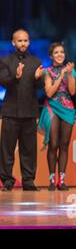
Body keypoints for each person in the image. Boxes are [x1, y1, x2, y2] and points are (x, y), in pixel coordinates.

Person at [0, 29, 45, 191]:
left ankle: (28, 181)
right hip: (10, 112)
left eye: (26, 40)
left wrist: (39, 79)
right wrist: (16, 77)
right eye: (20, 41)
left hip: (30, 112)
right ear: (13, 42)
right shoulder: (5, 61)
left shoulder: (35, 61)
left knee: (29, 150)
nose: (23, 43)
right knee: (7, 150)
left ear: (29, 42)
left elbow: (41, 88)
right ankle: (7, 181)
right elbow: (4, 82)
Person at [38, 42, 76, 191]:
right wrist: (61, 76)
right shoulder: (47, 72)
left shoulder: (70, 71)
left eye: (62, 52)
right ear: (51, 56)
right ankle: (51, 179)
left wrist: (69, 74)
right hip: (52, 107)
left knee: (64, 144)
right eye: (56, 52)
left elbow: (72, 92)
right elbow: (49, 93)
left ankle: (62, 179)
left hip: (67, 108)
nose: (60, 55)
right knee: (53, 144)